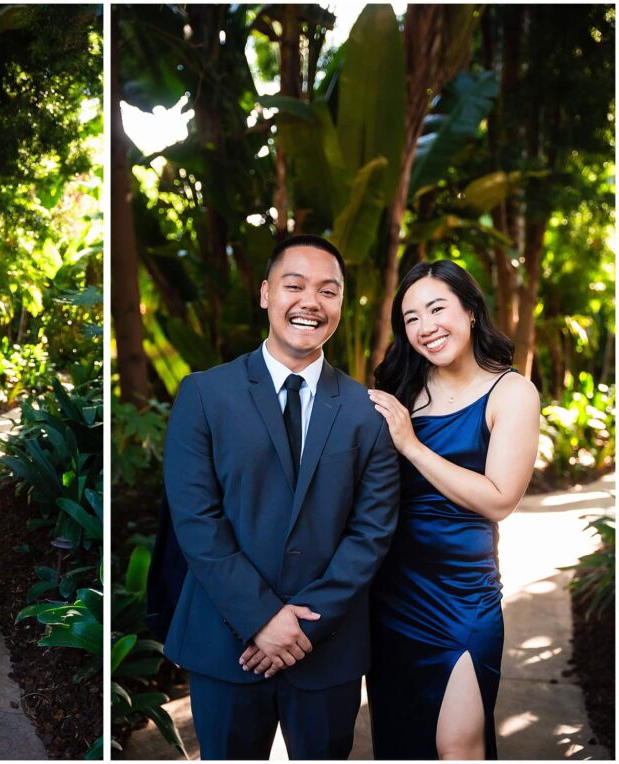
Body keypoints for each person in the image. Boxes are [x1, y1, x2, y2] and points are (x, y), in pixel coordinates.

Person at [146, 235, 400, 760]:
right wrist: (261, 618)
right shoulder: (204, 394)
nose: (311, 301)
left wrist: (303, 624)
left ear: (340, 305)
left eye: (327, 291)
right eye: (294, 285)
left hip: (325, 647)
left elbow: (371, 532)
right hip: (226, 642)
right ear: (265, 294)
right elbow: (196, 519)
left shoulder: (366, 411)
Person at [367, 260, 540, 760]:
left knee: (459, 744)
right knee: (400, 742)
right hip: (392, 597)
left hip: (463, 598)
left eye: (437, 308)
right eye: (411, 318)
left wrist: (413, 446)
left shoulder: (511, 391)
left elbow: (500, 497)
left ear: (469, 309)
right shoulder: (402, 393)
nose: (426, 327)